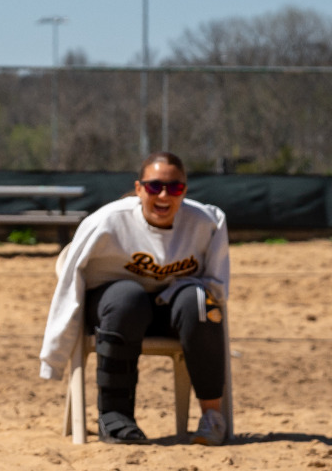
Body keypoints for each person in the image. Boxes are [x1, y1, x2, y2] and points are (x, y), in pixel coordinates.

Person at [38, 151, 231, 445]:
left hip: (171, 312)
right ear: (139, 188)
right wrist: (54, 356)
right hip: (112, 310)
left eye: (174, 188)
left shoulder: (207, 222)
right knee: (128, 298)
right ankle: (116, 418)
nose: (164, 195)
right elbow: (68, 283)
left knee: (200, 302)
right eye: (154, 186)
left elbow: (216, 289)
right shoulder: (106, 222)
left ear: (185, 191)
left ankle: (212, 418)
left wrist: (173, 295)